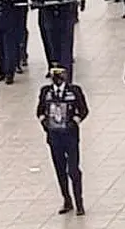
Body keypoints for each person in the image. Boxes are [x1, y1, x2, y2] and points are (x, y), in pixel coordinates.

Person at [36, 65, 88, 215]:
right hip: (54, 136)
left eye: (60, 76)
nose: (57, 80)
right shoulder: (46, 92)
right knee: (60, 169)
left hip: (70, 136)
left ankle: (79, 202)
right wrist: (45, 123)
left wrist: (75, 121)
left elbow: (84, 110)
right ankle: (66, 199)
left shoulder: (74, 91)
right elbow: (39, 111)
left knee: (73, 169)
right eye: (55, 77)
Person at [32, 0, 80, 80]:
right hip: (50, 20)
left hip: (65, 20)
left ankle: (67, 75)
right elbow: (38, 0)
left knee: (65, 48)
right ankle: (56, 74)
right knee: (53, 48)